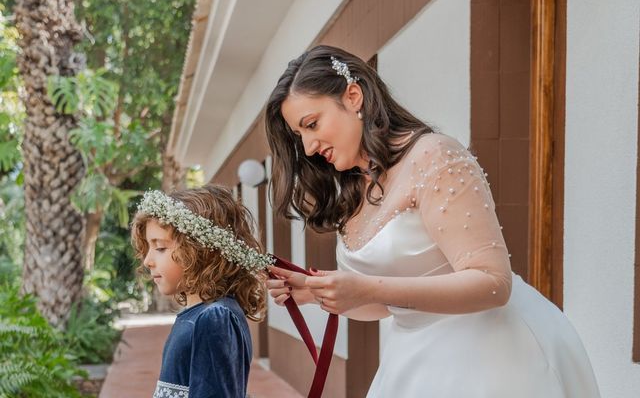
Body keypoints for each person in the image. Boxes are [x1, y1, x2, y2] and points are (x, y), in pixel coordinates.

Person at [265, 45, 600, 397]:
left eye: (312, 125)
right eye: (299, 135)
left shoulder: (434, 157)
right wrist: (316, 294)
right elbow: (385, 305)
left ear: (353, 96)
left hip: (492, 356)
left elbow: (493, 282)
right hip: (411, 359)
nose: (308, 147)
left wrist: (365, 287)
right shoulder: (355, 190)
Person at [131, 185, 273, 398]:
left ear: (202, 251)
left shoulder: (214, 318)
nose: (148, 261)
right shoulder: (204, 314)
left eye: (160, 247)